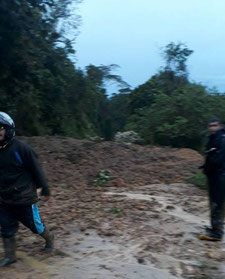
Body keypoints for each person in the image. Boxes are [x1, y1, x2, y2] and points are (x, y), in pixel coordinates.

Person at [0, 112, 54, 267]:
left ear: (8, 129)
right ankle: (10, 256)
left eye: (0, 128)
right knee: (6, 227)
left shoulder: (21, 149)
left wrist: (45, 188)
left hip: (24, 198)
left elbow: (36, 169)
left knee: (35, 225)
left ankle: (49, 237)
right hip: (4, 199)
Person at [198, 117, 225, 241]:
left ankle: (217, 233)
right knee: (213, 202)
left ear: (219, 126)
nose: (212, 128)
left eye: (215, 125)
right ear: (207, 127)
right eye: (210, 126)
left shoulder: (222, 139)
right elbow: (211, 157)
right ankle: (214, 227)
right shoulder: (212, 139)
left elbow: (219, 160)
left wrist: (208, 167)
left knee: (217, 203)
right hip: (213, 176)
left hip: (219, 176)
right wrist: (205, 166)